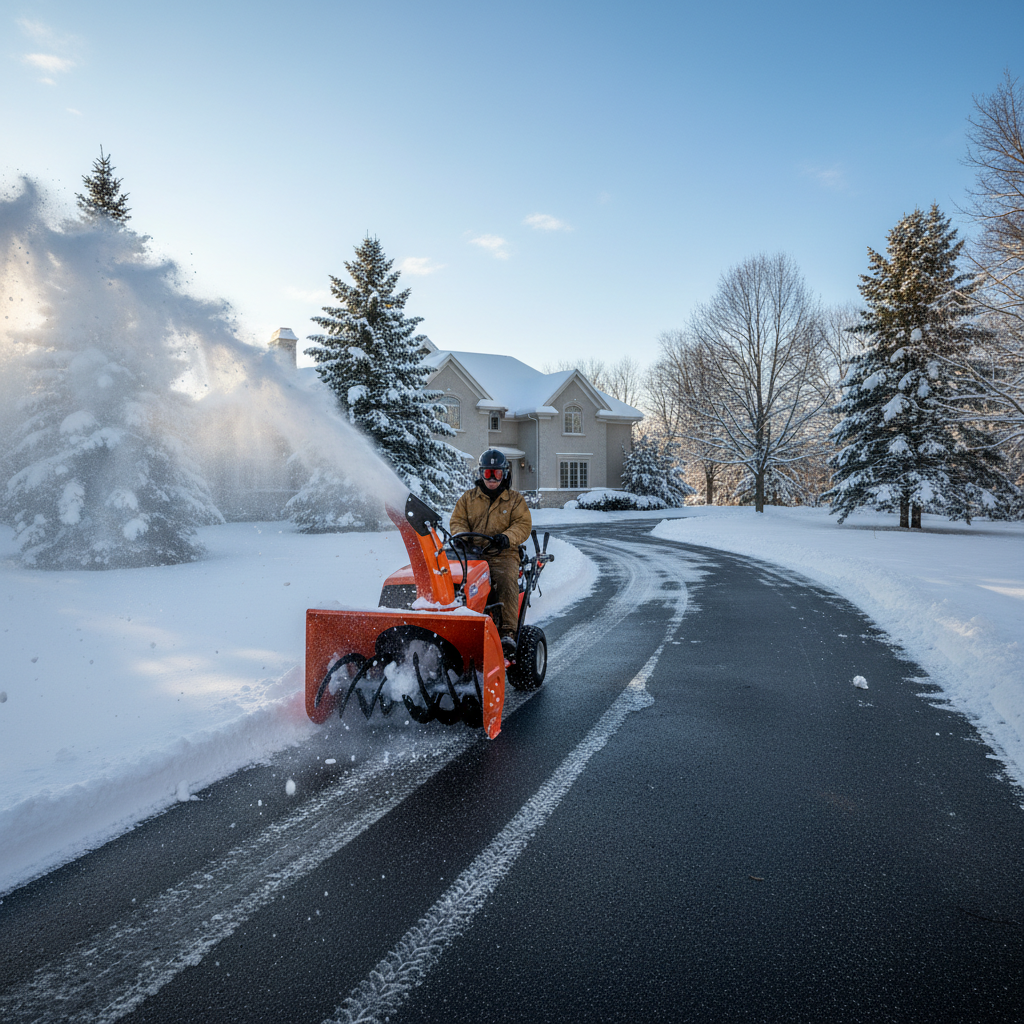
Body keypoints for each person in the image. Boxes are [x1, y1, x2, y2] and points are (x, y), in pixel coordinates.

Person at [449, 449, 532, 657]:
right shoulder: (468, 499)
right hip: (471, 553)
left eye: (496, 474)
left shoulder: (515, 500)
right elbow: (457, 520)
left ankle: (507, 632)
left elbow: (523, 525)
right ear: (481, 474)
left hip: (502, 554)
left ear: (504, 474)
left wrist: (506, 537)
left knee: (505, 579)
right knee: (452, 578)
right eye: (488, 474)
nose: (492, 479)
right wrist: (460, 536)